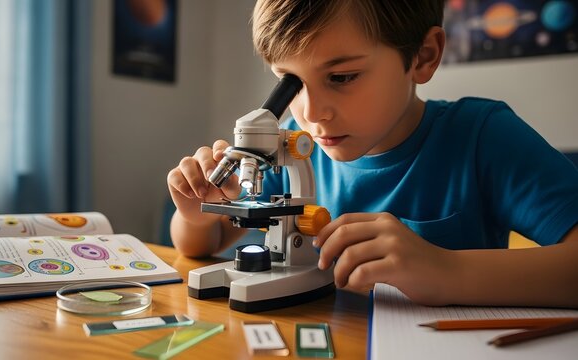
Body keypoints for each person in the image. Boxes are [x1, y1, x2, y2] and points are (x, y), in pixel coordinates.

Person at [166, 0, 578, 308]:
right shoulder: (291, 142)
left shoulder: (482, 137)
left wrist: (444, 269)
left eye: (342, 76)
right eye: (289, 83)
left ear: (423, 56)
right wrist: (194, 212)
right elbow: (206, 243)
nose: (313, 112)